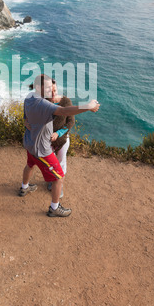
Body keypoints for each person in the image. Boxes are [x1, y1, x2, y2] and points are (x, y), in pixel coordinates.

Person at [19, 74, 100, 218]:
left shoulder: (30, 97)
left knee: (29, 165)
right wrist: (88, 106)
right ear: (39, 88)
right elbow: (63, 111)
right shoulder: (43, 103)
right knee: (58, 177)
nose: (52, 90)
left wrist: (28, 123)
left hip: (29, 142)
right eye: (48, 88)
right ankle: (54, 208)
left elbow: (26, 118)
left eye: (53, 87)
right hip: (41, 149)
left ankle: (24, 188)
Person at [47, 79, 75, 198]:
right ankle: (52, 181)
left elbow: (71, 121)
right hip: (47, 140)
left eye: (55, 90)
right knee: (50, 163)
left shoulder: (66, 101)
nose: (53, 93)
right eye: (49, 91)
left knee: (61, 163)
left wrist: (58, 133)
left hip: (62, 139)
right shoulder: (44, 103)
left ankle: (59, 185)